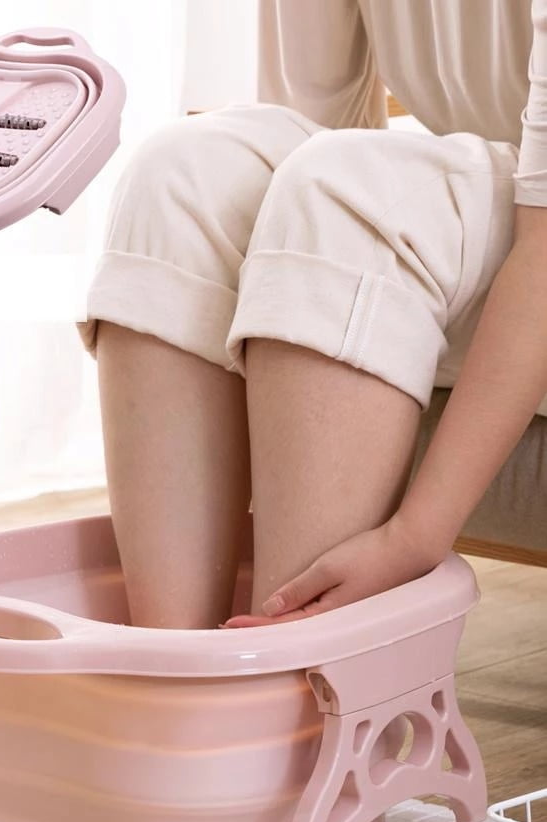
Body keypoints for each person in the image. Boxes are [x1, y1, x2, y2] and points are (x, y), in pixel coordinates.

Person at [76, 0, 547, 630]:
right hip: (497, 231)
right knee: (182, 171)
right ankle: (172, 667)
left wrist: (416, 533)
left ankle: (303, 679)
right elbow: (308, 142)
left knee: (351, 189)